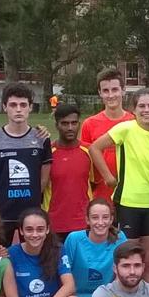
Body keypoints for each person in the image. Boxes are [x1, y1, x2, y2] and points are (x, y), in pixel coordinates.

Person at [89, 88, 149, 281]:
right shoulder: (126, 129)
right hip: (128, 203)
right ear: (134, 109)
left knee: (147, 262)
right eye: (142, 106)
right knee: (126, 260)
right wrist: (108, 177)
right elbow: (94, 148)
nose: (147, 110)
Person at [0, 83, 53, 248]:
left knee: (31, 255)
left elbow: (44, 177)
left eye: (23, 105)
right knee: (0, 256)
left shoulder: (41, 138)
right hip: (3, 212)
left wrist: (32, 196)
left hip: (31, 212)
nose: (18, 109)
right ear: (5, 107)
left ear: (30, 107)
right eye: (13, 105)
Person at [80, 69, 135, 200]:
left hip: (130, 192)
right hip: (101, 193)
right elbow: (86, 162)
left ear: (123, 90)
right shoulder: (89, 124)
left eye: (115, 90)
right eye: (105, 91)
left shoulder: (134, 121)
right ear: (100, 93)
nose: (110, 95)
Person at [43, 104, 94, 244]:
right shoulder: (47, 153)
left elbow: (93, 184)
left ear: (79, 124)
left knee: (82, 266)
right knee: (55, 265)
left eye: (74, 123)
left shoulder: (89, 151)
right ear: (56, 125)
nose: (70, 127)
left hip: (83, 224)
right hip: (54, 224)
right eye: (64, 123)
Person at [64, 199, 128, 297]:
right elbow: (62, 275)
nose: (100, 222)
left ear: (111, 219)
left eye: (105, 217)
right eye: (95, 218)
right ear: (87, 220)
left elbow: (124, 272)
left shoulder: (120, 238)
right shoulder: (74, 239)